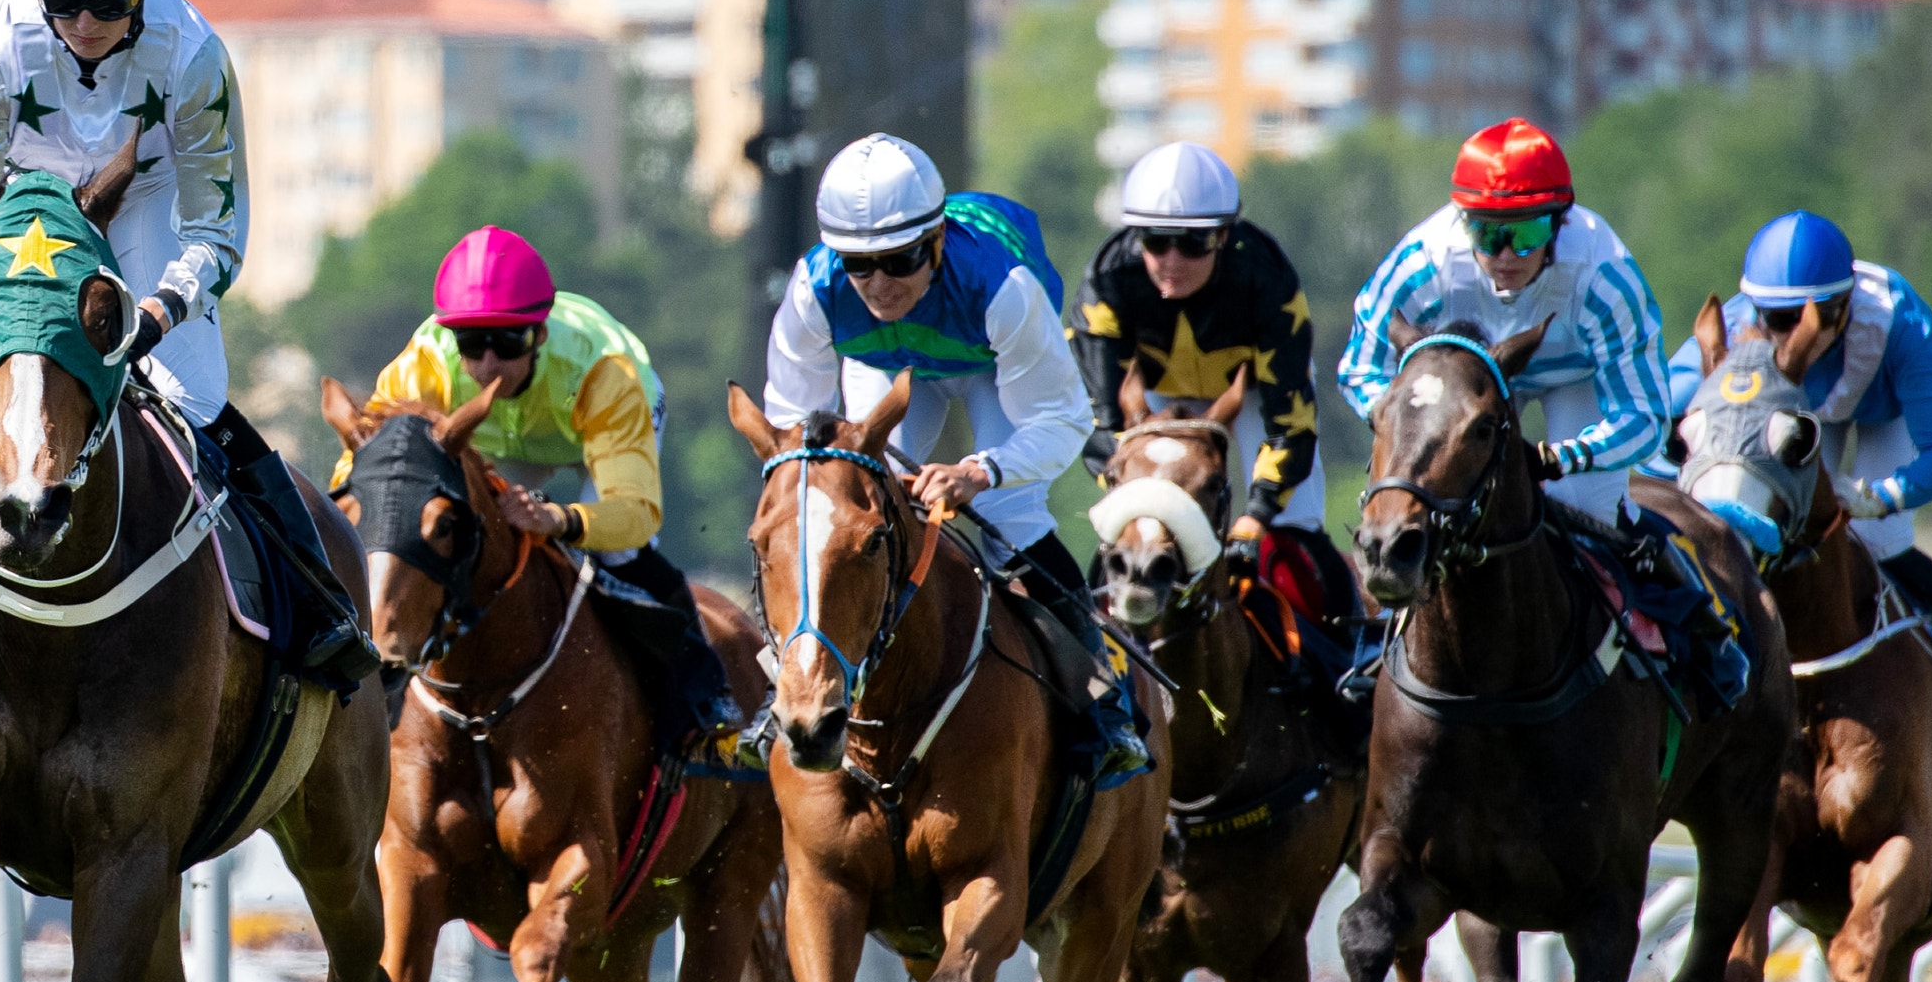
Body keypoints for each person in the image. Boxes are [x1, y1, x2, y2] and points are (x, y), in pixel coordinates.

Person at [0, 0, 372, 691]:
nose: (86, 20)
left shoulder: (194, 54)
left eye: (110, 0)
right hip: (25, 221)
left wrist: (163, 311)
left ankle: (319, 601)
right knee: (5, 394)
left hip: (149, 210)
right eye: (62, 0)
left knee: (192, 402)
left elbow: (216, 227)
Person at [763, 134, 1150, 779]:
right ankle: (781, 686)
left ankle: (1102, 699)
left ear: (937, 242)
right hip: (889, 366)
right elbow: (788, 424)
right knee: (843, 508)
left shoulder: (1003, 290)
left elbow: (1064, 419)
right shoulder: (814, 289)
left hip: (990, 366)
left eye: (900, 259)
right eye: (859, 265)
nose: (879, 285)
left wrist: (978, 471)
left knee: (1011, 517)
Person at [1683, 209, 1932, 777]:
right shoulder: (1739, 327)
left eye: (1797, 321)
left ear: (1840, 310)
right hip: (1795, 423)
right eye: (1771, 318)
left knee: (1881, 542)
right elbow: (1669, 402)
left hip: (1884, 415)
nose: (1784, 339)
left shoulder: (1900, 323)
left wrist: (1882, 496)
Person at [359, 224, 745, 754]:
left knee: (620, 553)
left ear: (538, 334)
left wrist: (558, 520)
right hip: (496, 441)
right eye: (472, 345)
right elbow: (361, 473)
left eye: (507, 342)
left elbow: (636, 514)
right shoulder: (422, 366)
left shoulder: (606, 371)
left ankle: (704, 688)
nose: (488, 364)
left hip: (591, 423)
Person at [1070, 140, 1356, 628]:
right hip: (1157, 405)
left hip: (1251, 397)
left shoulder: (1267, 279)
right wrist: (1140, 496)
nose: (1172, 259)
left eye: (1193, 242)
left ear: (1223, 237)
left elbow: (1290, 425)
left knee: (1293, 525)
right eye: (1156, 241)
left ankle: (1339, 650)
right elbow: (1101, 425)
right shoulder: (1107, 281)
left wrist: (1257, 514)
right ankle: (1104, 661)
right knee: (1130, 528)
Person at [1337, 117, 1673, 526]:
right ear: (1463, 224)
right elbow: (1360, 369)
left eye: (1528, 232)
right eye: (1488, 235)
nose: (1508, 256)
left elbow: (1644, 416)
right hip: (1460, 391)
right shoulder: (1422, 265)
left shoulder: (1604, 276)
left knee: (1589, 507)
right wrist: (1411, 419)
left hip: (1574, 383)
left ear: (1559, 222)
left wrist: (1563, 457)